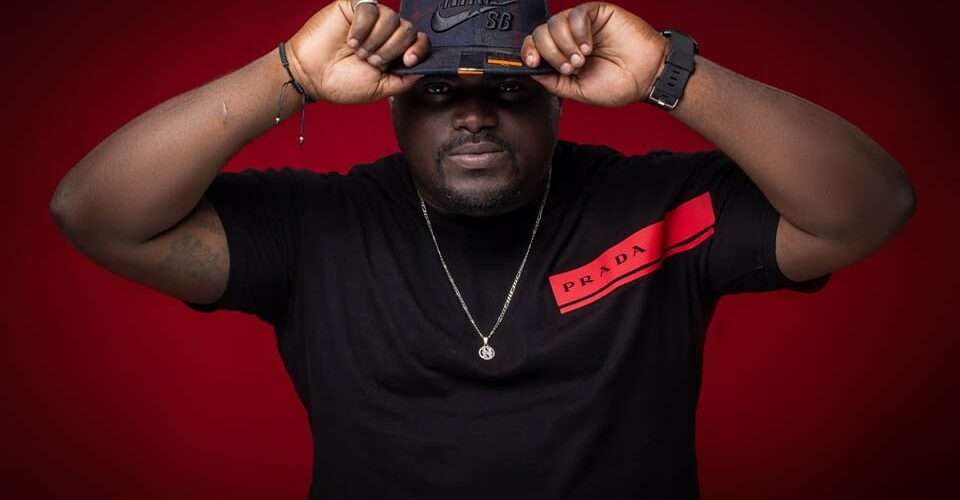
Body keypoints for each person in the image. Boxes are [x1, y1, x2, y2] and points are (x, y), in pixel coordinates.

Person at [49, 0, 915, 498]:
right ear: (391, 104)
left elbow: (868, 209)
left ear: (559, 98)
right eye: (436, 92)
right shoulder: (316, 227)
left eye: (509, 88)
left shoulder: (658, 209)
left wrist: (667, 74)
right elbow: (95, 213)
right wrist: (292, 75)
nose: (472, 115)